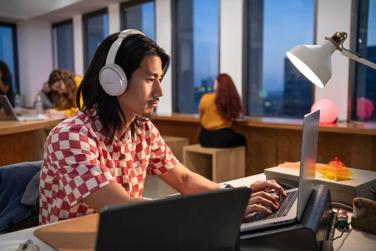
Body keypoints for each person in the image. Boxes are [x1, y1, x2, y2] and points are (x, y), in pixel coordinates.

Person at [39, 29, 285, 225]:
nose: (160, 92)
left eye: (160, 79)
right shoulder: (69, 136)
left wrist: (234, 196)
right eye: (149, 79)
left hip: (124, 233)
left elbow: (184, 178)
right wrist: (225, 208)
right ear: (113, 80)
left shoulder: (142, 129)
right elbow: (120, 207)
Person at [198, 73, 246, 148]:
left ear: (218, 84)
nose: (214, 82)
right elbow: (233, 117)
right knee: (242, 139)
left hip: (204, 138)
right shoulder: (230, 100)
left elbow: (201, 118)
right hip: (222, 138)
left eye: (215, 81)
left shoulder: (205, 98)